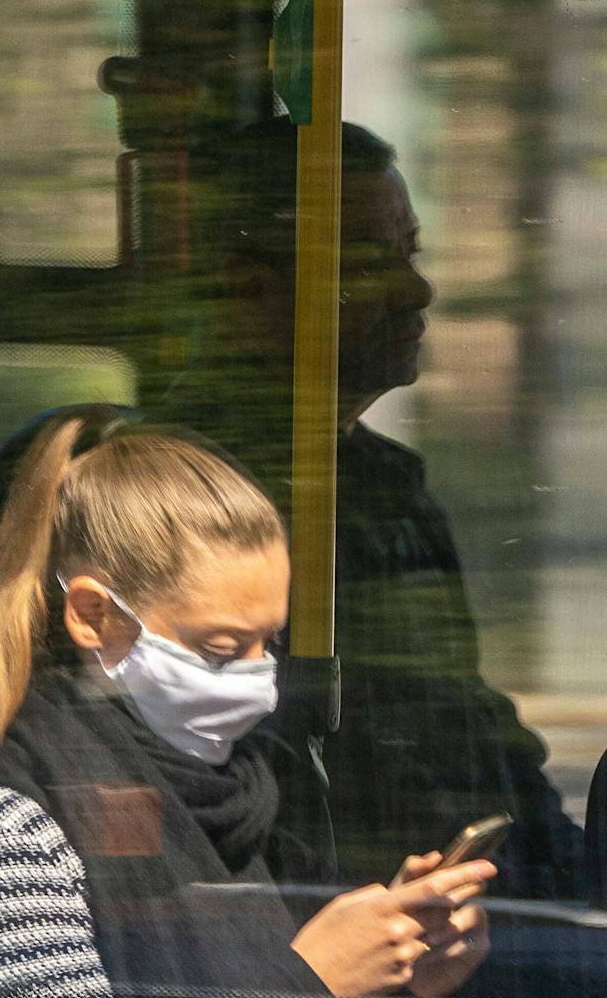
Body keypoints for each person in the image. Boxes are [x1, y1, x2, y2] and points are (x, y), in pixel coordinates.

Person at [0, 410, 495, 998]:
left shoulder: (249, 796)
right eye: (221, 649)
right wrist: (309, 985)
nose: (263, 681)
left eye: (270, 643)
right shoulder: (5, 834)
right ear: (95, 617)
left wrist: (400, 969)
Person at [160, 118, 584, 901]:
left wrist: (581, 875)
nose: (417, 290)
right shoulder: (187, 502)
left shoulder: (384, 485)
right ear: (249, 292)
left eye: (411, 254)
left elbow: (469, 729)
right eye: (368, 262)